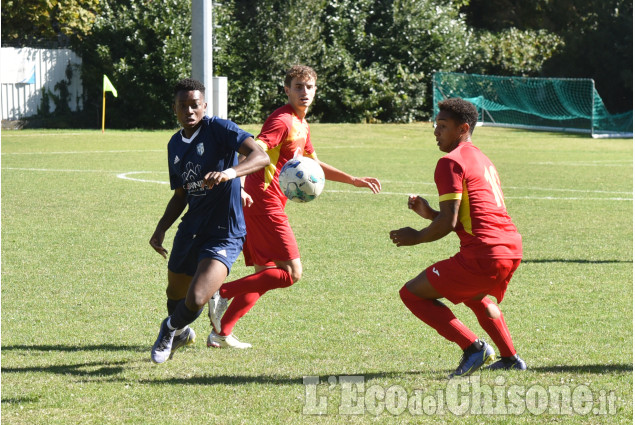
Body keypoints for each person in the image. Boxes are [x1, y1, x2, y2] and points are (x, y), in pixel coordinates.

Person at [206, 65, 382, 348]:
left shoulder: (302, 124)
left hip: (269, 202)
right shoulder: (282, 120)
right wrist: (236, 182)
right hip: (262, 200)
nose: (304, 92)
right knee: (291, 273)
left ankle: (221, 334)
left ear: (315, 90)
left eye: (309, 87)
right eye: (298, 87)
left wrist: (352, 180)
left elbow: (313, 163)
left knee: (265, 273)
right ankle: (221, 290)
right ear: (287, 90)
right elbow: (254, 151)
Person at [389, 98, 526, 378]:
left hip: (484, 254)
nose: (436, 132)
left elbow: (450, 222)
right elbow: (467, 215)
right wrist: (429, 214)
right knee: (475, 296)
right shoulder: (482, 158)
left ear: (463, 128)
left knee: (411, 294)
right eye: (435, 126)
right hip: (510, 249)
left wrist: (415, 237)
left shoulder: (449, 162)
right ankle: (511, 358)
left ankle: (474, 348)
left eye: (443, 126)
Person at [149, 78, 269, 364]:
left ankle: (168, 329)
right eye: (183, 106)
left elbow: (260, 156)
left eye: (194, 105)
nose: (189, 111)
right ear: (175, 109)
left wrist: (229, 173)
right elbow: (181, 195)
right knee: (174, 293)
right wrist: (160, 229)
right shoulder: (175, 144)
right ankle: (180, 332)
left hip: (224, 232)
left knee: (198, 296)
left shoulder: (220, 129)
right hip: (190, 230)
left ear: (204, 106)